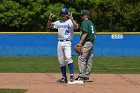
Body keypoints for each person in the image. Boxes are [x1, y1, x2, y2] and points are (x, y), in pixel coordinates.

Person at [47, 8, 78, 83]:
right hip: (60, 42)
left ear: (67, 14)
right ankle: (64, 77)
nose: (62, 15)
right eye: (61, 13)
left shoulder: (70, 22)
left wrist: (72, 19)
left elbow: (76, 26)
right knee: (61, 61)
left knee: (68, 57)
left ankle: (71, 75)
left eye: (64, 13)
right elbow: (49, 26)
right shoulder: (58, 22)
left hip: (67, 42)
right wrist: (50, 19)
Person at [75, 10, 96, 81]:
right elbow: (94, 34)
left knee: (81, 58)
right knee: (89, 58)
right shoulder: (91, 23)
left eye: (82, 15)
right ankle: (86, 76)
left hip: (86, 42)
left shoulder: (84, 22)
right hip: (91, 42)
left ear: (86, 15)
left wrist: (80, 43)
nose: (81, 16)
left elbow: (85, 33)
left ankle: (81, 76)